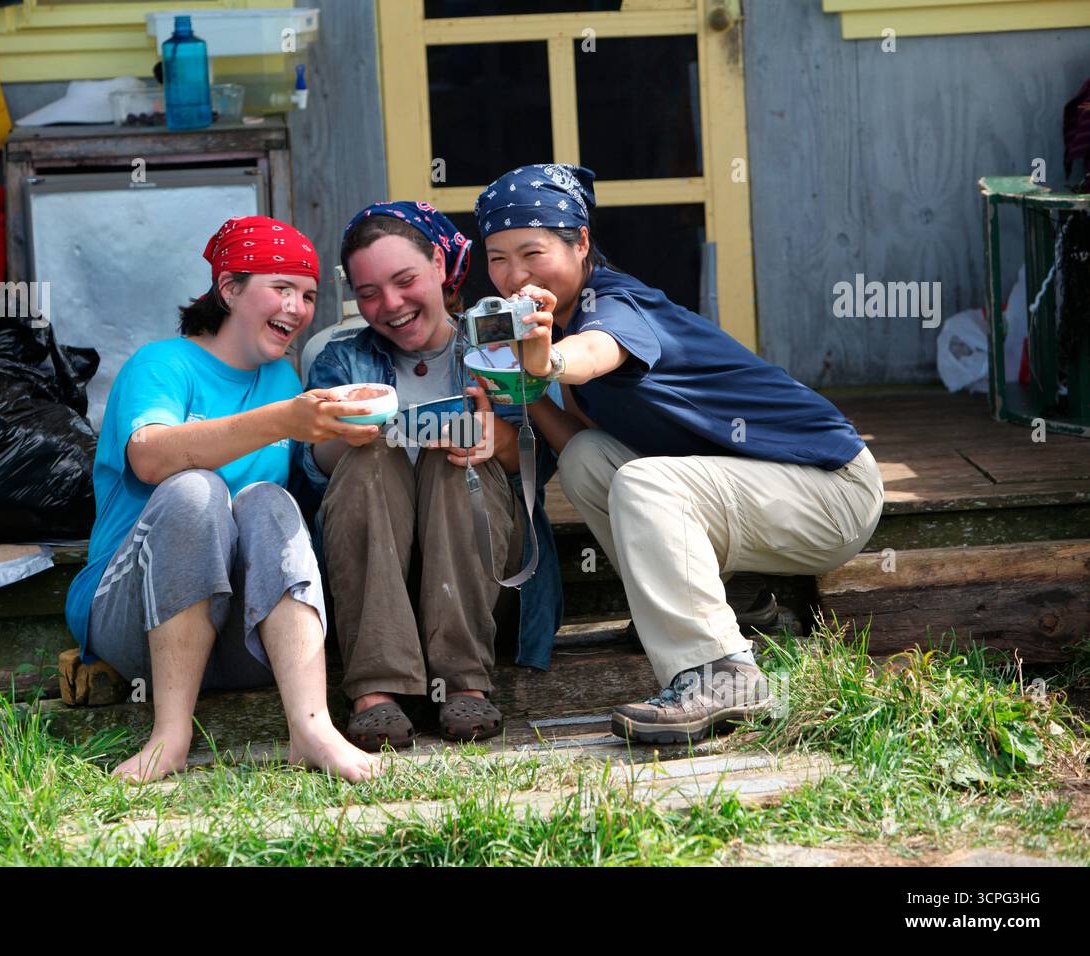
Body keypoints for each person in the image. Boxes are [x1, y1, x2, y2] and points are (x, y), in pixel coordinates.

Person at [473, 164, 885, 744]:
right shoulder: (562, 320)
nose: (513, 276)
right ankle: (721, 607)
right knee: (591, 458)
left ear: (582, 242)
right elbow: (581, 449)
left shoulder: (614, 305)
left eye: (531, 252)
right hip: (759, 492)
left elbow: (597, 351)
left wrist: (547, 361)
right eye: (497, 258)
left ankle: (721, 673)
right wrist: (528, 391)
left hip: (830, 488)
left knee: (645, 484)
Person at [64, 215, 383, 783]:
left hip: (244, 640)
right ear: (230, 288)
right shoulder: (161, 364)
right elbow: (151, 456)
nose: (298, 307)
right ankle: (171, 736)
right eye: (281, 288)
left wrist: (355, 433)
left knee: (265, 499)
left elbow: (305, 476)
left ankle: (311, 728)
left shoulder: (285, 380)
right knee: (194, 489)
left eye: (308, 294)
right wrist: (283, 420)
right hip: (133, 624)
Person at [300, 202, 562, 751]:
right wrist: (344, 433)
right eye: (369, 292)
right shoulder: (339, 359)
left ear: (440, 266)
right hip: (375, 583)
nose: (389, 305)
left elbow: (537, 463)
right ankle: (376, 693)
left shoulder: (495, 342)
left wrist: (493, 438)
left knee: (456, 452)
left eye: (404, 280)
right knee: (372, 456)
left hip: (485, 578)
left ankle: (465, 681)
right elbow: (312, 468)